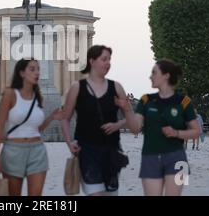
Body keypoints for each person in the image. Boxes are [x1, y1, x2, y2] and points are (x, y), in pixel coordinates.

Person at [60, 45, 135, 196]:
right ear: (92, 61)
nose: (108, 63)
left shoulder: (117, 87)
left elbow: (131, 118)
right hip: (87, 151)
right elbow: (65, 118)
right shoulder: (77, 87)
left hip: (112, 151)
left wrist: (117, 125)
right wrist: (69, 142)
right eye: (104, 59)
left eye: (109, 60)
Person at [125, 59, 200, 196]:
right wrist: (127, 108)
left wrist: (177, 133)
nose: (150, 76)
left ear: (166, 75)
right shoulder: (145, 100)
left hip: (178, 160)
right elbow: (135, 129)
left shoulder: (184, 101)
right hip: (150, 158)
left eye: (154, 73)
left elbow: (196, 131)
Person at [0, 58, 63, 196]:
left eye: (38, 69)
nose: (37, 72)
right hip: (13, 151)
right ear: (22, 73)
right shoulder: (10, 94)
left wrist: (51, 117)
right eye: (32, 69)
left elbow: (37, 129)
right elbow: (0, 126)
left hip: (37, 151)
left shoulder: (37, 97)